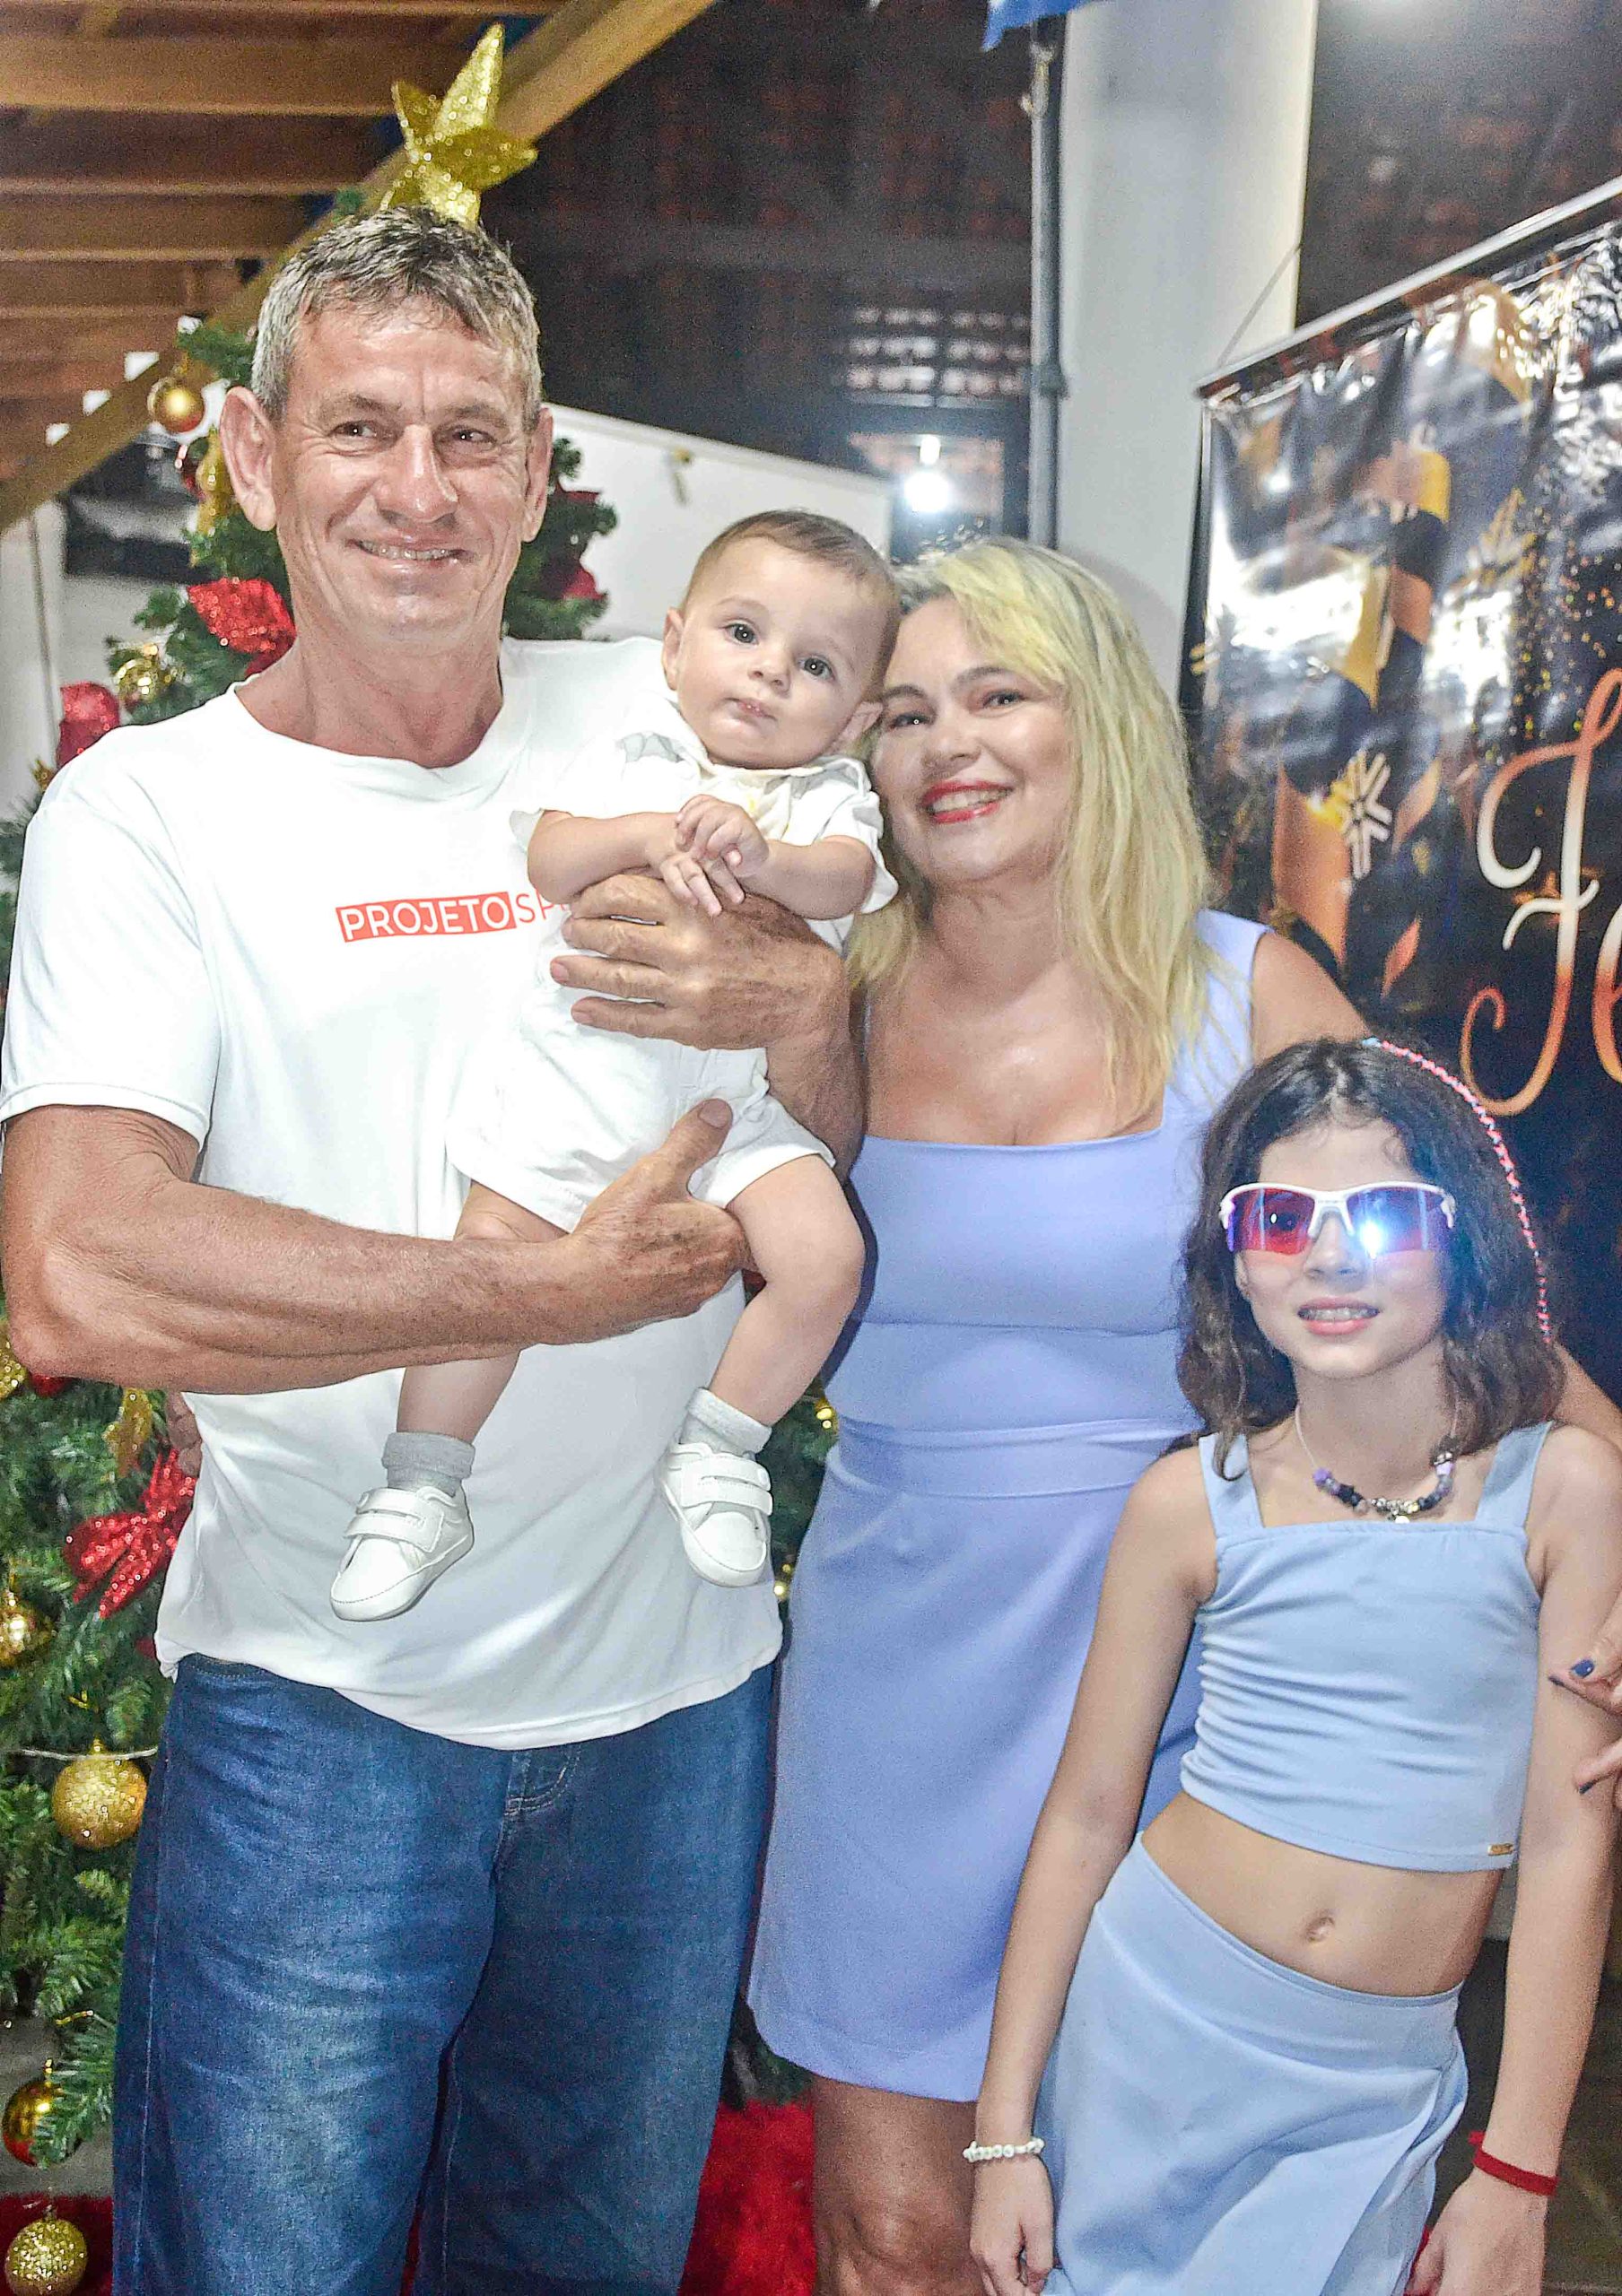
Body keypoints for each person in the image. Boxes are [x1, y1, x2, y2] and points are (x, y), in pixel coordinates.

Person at [0, 208, 859, 2296]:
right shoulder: (154, 815)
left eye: (471, 434)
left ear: (541, 465)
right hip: (325, 1705)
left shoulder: (671, 719)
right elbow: (77, 1269)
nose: (418, 487)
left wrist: (803, 1006)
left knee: (582, 2266)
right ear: (253, 454)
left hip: (673, 1701)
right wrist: (530, 1293)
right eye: (360, 427)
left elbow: (827, 1139)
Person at [746, 538, 1367, 2295]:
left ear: (1097, 726)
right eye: (901, 711)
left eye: (998, 694)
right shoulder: (823, 1004)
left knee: (1148, 2225)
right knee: (892, 2232)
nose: (948, 743)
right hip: (895, 1686)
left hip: (1193, 1691)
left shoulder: (1248, 995)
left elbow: (1457, 1321)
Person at [969, 1038, 1622, 2296]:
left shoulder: (1566, 1492)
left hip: (1377, 2080)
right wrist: (1004, 2134)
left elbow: (1566, 1846)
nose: (1328, 1257)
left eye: (1380, 1215)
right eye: (1278, 1218)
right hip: (1152, 2027)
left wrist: (1519, 2172)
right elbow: (1087, 1815)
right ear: (1233, 1256)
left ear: (1464, 1237)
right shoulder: (1186, 1502)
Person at [335, 511, 897, 1620]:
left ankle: (720, 1445)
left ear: (857, 718)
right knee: (488, 1273)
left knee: (826, 1256)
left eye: (816, 665)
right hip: (578, 1092)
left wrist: (762, 855)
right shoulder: (638, 754)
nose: (770, 671)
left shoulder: (827, 796)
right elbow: (549, 855)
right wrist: (642, 835)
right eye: (744, 632)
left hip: (733, 1113)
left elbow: (843, 878)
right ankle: (421, 1484)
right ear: (675, 647)